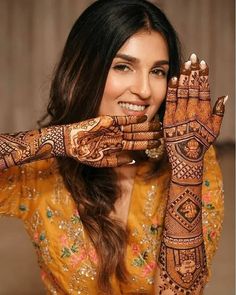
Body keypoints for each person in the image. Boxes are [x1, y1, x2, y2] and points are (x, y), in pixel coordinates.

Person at [0, 0, 226, 294]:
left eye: (158, 71)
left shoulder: (191, 158)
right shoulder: (44, 169)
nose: (145, 90)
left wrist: (186, 169)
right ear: (82, 70)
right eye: (123, 66)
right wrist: (59, 140)